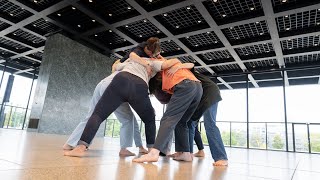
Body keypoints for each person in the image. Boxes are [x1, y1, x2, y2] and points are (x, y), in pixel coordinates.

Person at [64, 49, 183, 156]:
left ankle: (76, 145)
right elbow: (167, 63)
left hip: (111, 83)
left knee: (95, 115)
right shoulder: (152, 63)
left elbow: (115, 66)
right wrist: (174, 61)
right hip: (131, 85)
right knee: (141, 119)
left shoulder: (130, 61)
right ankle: (145, 149)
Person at [62, 60, 147, 156]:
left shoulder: (125, 65)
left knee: (91, 115)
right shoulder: (138, 70)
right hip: (115, 87)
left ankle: (70, 143)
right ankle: (124, 149)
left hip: (102, 84)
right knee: (128, 119)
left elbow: (115, 65)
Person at [133, 61, 203, 163]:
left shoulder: (162, 63)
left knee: (168, 119)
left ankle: (154, 153)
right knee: (182, 121)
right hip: (198, 87)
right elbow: (191, 64)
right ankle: (186, 153)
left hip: (185, 84)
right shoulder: (170, 69)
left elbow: (147, 59)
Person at [188, 70, 228, 166]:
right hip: (202, 97)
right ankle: (188, 153)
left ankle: (221, 157)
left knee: (209, 124)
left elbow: (191, 65)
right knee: (190, 122)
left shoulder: (186, 70)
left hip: (210, 94)